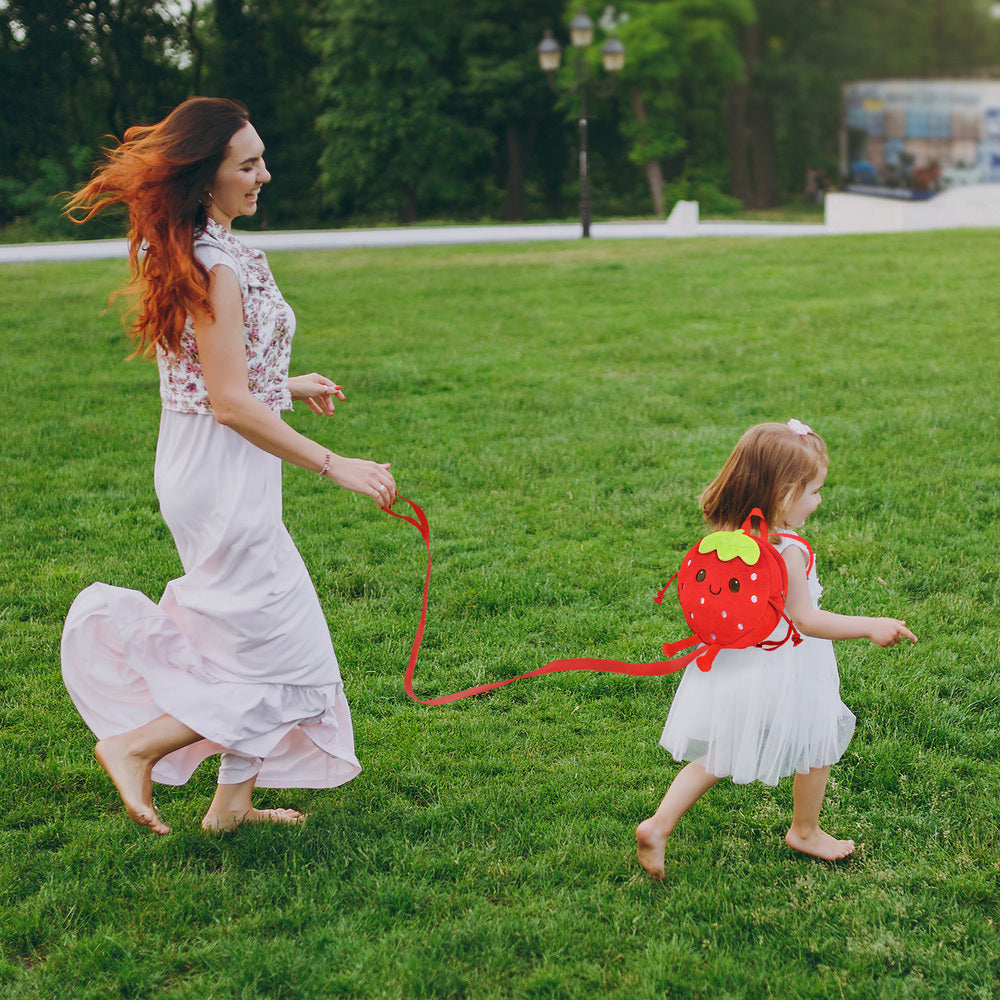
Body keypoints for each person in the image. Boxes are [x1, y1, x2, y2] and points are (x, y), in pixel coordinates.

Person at [60, 97, 397, 835]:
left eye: (261, 160)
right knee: (283, 652)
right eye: (247, 165)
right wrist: (334, 463)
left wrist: (289, 383)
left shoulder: (202, 244)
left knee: (258, 639)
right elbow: (228, 402)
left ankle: (232, 805)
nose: (264, 176)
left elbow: (221, 374)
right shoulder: (210, 260)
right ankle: (133, 744)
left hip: (219, 460)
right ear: (204, 175)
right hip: (218, 469)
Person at [636, 420, 916, 878]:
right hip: (788, 664)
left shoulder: (732, 535)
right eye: (814, 490)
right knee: (819, 739)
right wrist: (871, 626)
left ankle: (659, 823)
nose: (819, 499)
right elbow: (807, 620)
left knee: (722, 752)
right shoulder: (788, 549)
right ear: (783, 494)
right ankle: (804, 831)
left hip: (738, 662)